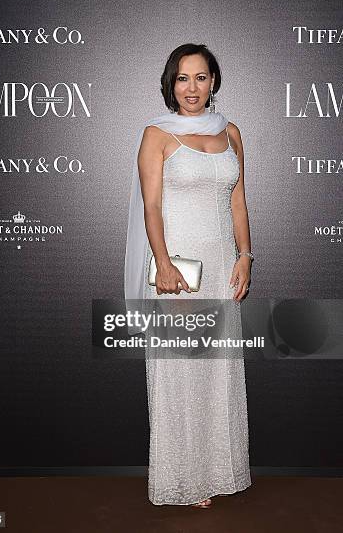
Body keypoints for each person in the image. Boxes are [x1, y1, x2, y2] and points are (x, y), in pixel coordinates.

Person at [124, 43, 253, 507]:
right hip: (179, 267)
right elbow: (152, 206)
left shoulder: (231, 132)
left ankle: (218, 471)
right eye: (182, 78)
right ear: (170, 83)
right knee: (180, 371)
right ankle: (184, 478)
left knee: (217, 370)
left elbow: (237, 201)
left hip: (221, 267)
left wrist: (246, 254)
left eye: (200, 77)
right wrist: (162, 264)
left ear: (213, 81)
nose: (191, 87)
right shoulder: (156, 134)